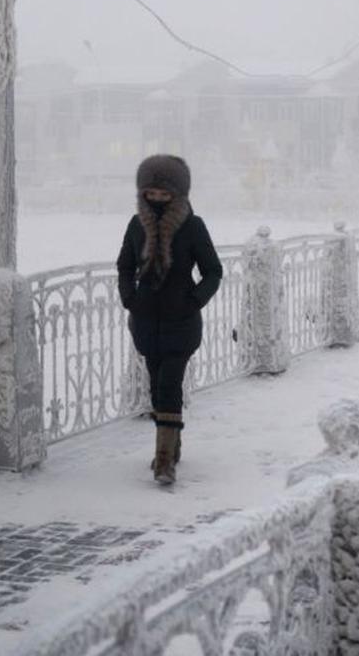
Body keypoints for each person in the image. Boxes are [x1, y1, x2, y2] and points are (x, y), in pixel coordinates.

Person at [116, 155, 222, 486]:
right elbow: (124, 266)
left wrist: (193, 300)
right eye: (152, 194)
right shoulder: (136, 225)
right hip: (146, 321)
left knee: (169, 385)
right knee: (155, 387)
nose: (158, 199)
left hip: (181, 321)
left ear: (178, 193)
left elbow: (213, 271)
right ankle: (172, 444)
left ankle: (163, 461)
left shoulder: (193, 226)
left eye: (164, 194)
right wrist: (130, 298)